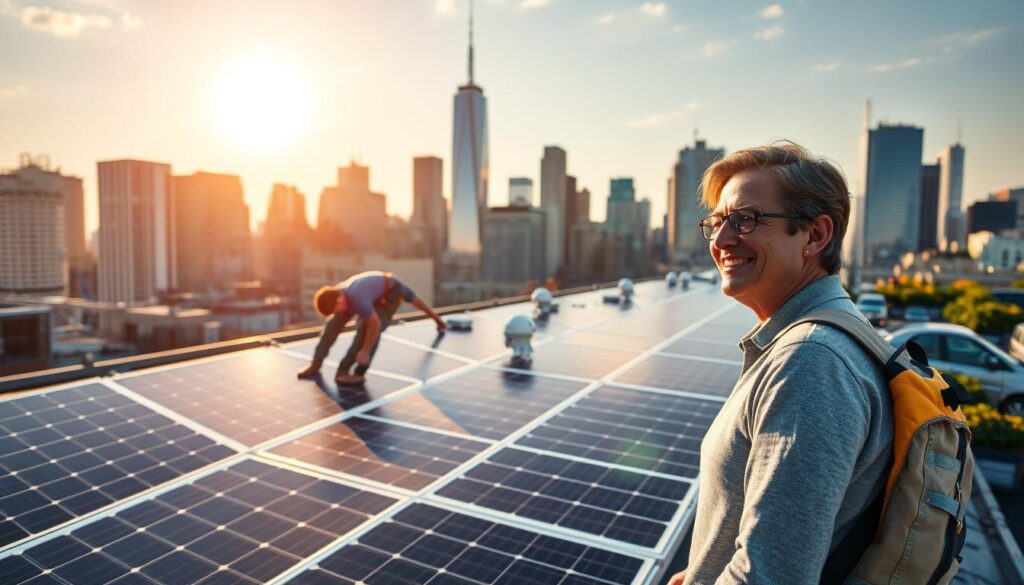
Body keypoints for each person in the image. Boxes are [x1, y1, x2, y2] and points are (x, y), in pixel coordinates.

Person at [669, 143, 893, 584]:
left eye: (745, 220)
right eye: (716, 223)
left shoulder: (812, 363)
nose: (721, 240)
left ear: (815, 235)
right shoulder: (819, 341)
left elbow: (769, 576)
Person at [296, 271, 446, 384]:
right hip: (369, 295)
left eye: (337, 309)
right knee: (332, 326)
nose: (339, 313)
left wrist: (365, 350)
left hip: (389, 295)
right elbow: (334, 322)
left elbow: (376, 324)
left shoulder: (359, 298)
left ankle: (355, 373)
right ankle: (315, 365)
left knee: (365, 331)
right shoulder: (337, 295)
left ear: (340, 299)